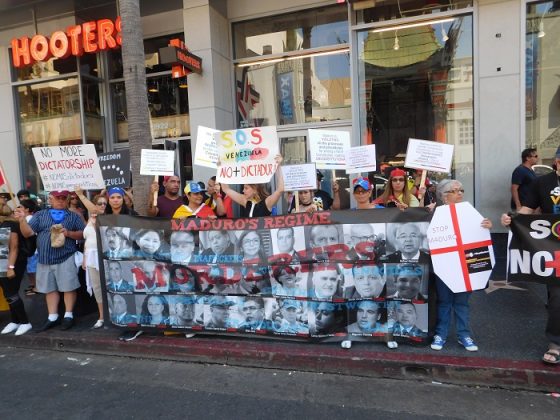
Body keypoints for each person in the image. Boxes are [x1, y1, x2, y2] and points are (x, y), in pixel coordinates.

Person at [501, 146, 560, 364]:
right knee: (557, 298)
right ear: (556, 161)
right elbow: (526, 210)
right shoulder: (542, 183)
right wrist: (511, 218)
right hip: (553, 249)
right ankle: (556, 343)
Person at [431, 179, 491, 352]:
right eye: (455, 190)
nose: (460, 193)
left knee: (461, 302)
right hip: (444, 266)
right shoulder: (435, 214)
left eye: (461, 190)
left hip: (465, 265)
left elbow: (479, 236)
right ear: (444, 196)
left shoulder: (470, 213)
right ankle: (441, 334)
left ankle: (464, 334)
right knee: (444, 302)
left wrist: (486, 226)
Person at [14, 190, 85, 331]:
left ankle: (68, 316)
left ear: (67, 200)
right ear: (50, 199)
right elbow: (27, 233)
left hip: (66, 256)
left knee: (68, 287)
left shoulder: (74, 216)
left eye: (63, 198)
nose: (60, 201)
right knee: (49, 289)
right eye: (57, 198)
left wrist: (69, 233)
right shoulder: (40, 215)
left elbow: (83, 234)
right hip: (44, 258)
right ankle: (52, 317)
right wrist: (22, 220)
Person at [0, 211, 33, 336]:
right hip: (2, 262)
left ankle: (25, 322)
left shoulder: (10, 224)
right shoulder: (2, 224)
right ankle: (15, 321)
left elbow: (14, 247)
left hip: (11, 263)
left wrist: (10, 267)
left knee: (11, 294)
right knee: (8, 293)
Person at [81, 194, 108, 329]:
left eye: (104, 203)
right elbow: (87, 241)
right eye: (100, 203)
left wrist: (81, 195)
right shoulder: (89, 219)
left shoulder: (105, 219)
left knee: (106, 287)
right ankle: (101, 316)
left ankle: (110, 317)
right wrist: (85, 258)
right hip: (91, 257)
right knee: (97, 287)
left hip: (103, 256)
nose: (102, 205)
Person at [19, 199, 38, 296]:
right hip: (30, 249)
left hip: (32, 249)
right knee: (31, 269)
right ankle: (32, 285)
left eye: (21, 207)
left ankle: (36, 287)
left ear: (27, 209)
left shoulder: (29, 218)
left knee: (33, 269)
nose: (19, 208)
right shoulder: (27, 218)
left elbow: (29, 233)